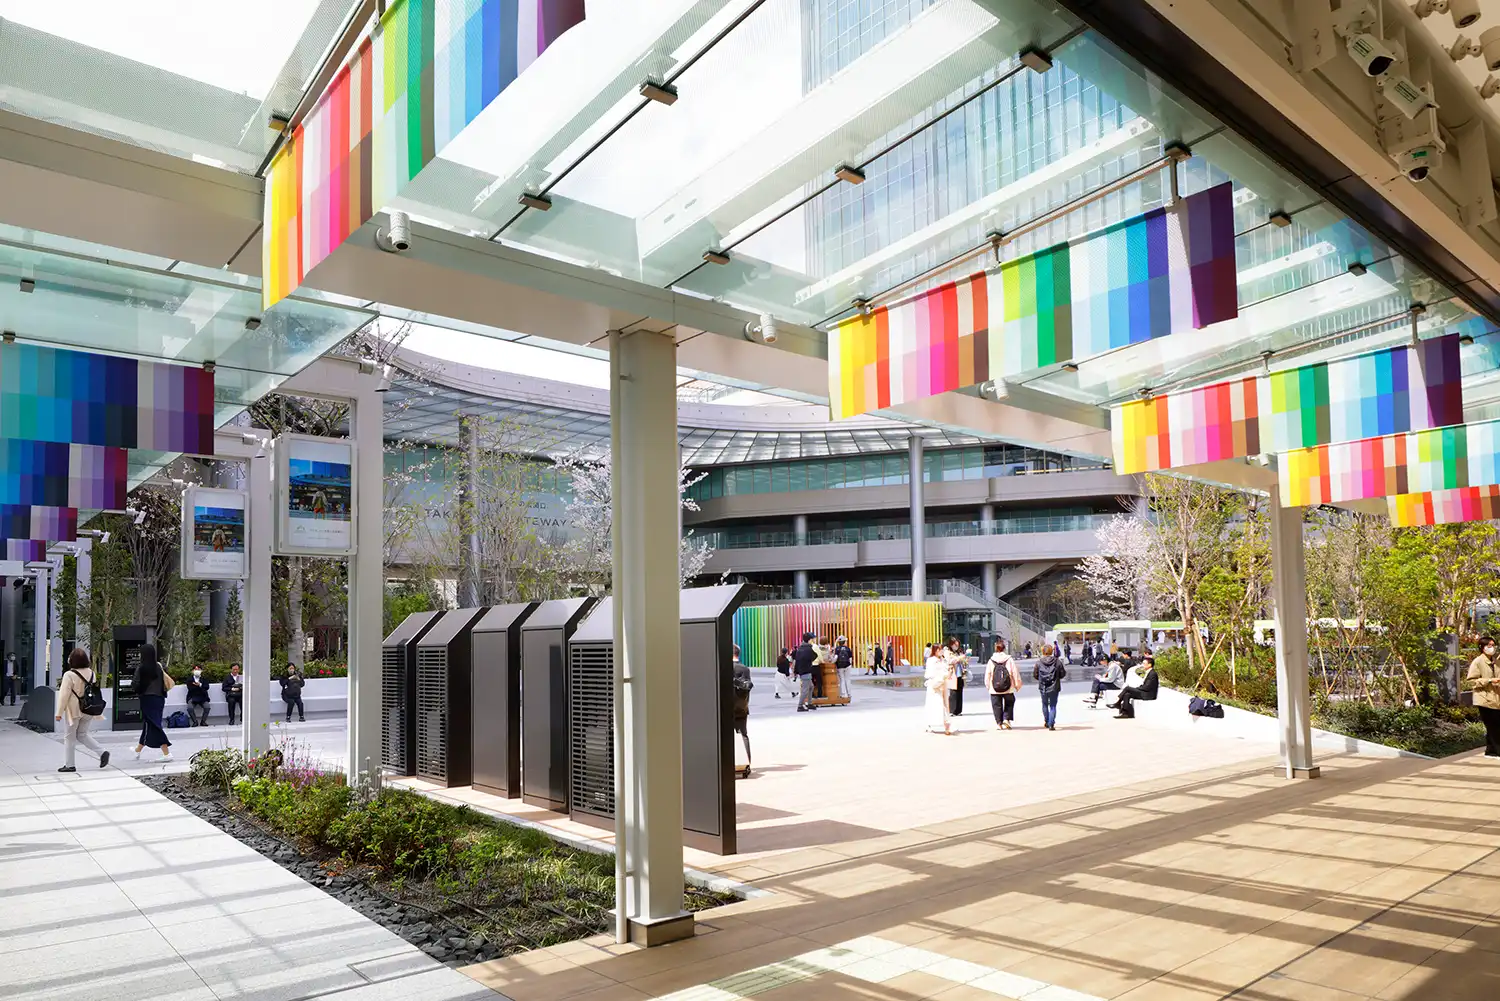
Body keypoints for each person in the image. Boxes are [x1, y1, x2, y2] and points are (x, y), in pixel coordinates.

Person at [55, 648, 109, 772]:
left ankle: (70, 765)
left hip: (73, 711)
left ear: (72, 660)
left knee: (69, 737)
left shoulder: (69, 675)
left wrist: (58, 713)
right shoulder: (91, 673)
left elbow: (64, 695)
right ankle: (102, 752)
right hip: (88, 709)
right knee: (82, 734)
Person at [132, 643, 172, 762]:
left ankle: (166, 753)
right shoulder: (159, 667)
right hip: (159, 699)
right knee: (149, 723)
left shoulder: (141, 668)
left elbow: (135, 684)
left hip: (147, 699)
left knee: (154, 724)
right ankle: (138, 750)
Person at [1467, 637, 1500, 758]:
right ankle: (1497, 751)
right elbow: (1471, 681)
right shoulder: (1478, 662)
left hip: (1496, 698)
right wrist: (1489, 680)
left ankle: (1490, 751)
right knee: (1493, 726)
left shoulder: (1496, 661)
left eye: (1493, 645)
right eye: (1489, 645)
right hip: (1484, 699)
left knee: (1494, 725)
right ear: (1482, 647)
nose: (1492, 648)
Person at [985, 639, 1020, 730]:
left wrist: (988, 685)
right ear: (1004, 649)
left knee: (996, 705)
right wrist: (1017, 684)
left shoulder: (991, 660)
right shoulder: (1009, 659)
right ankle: (1006, 719)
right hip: (1008, 686)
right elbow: (1015, 672)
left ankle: (999, 723)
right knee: (1010, 702)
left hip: (994, 687)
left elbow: (988, 674)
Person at [1111, 654, 1160, 719]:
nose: (1142, 665)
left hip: (1148, 694)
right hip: (1145, 692)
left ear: (1149, 665)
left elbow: (1147, 687)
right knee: (1127, 694)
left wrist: (1137, 689)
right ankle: (1125, 713)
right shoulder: (1148, 672)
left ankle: (1118, 702)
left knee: (1128, 688)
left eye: (1144, 663)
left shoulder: (1152, 674)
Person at [1033, 642, 1067, 731]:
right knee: (1053, 705)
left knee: (1044, 704)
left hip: (1043, 686)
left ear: (1043, 652)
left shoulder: (1039, 663)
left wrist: (1041, 679)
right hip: (1054, 686)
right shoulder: (1057, 662)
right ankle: (1051, 723)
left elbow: (1035, 675)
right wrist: (1057, 677)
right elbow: (1063, 674)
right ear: (1052, 651)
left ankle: (1047, 721)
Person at [731, 644, 753, 773]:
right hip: (741, 707)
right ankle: (747, 763)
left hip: (726, 707)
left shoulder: (724, 667)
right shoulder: (745, 669)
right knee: (743, 734)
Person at [923, 644, 954, 735]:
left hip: (943, 684)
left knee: (945, 705)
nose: (941, 651)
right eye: (940, 650)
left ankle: (947, 725)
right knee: (933, 705)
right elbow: (930, 673)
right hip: (935, 685)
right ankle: (928, 724)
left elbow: (945, 670)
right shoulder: (931, 660)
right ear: (936, 650)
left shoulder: (943, 660)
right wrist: (941, 676)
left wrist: (949, 672)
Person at [792, 633, 819, 712]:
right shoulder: (808, 648)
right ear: (810, 640)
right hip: (806, 671)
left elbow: (797, 660)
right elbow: (815, 656)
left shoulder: (800, 648)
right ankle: (800, 706)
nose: (814, 640)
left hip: (802, 671)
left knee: (811, 686)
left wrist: (796, 671)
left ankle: (809, 703)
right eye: (813, 639)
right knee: (805, 689)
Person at [946, 636, 967, 716]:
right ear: (951, 645)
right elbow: (950, 661)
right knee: (953, 692)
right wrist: (960, 658)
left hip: (960, 674)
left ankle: (958, 710)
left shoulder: (958, 652)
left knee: (959, 691)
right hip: (953, 674)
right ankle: (952, 710)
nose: (956, 647)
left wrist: (966, 657)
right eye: (955, 645)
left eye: (957, 645)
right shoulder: (947, 651)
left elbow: (962, 661)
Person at [833, 635, 854, 701]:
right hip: (847, 665)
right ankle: (849, 694)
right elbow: (850, 658)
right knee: (848, 679)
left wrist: (833, 662)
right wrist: (850, 664)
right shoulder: (848, 648)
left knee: (842, 680)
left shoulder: (837, 649)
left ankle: (843, 694)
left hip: (840, 666)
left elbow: (836, 657)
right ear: (844, 642)